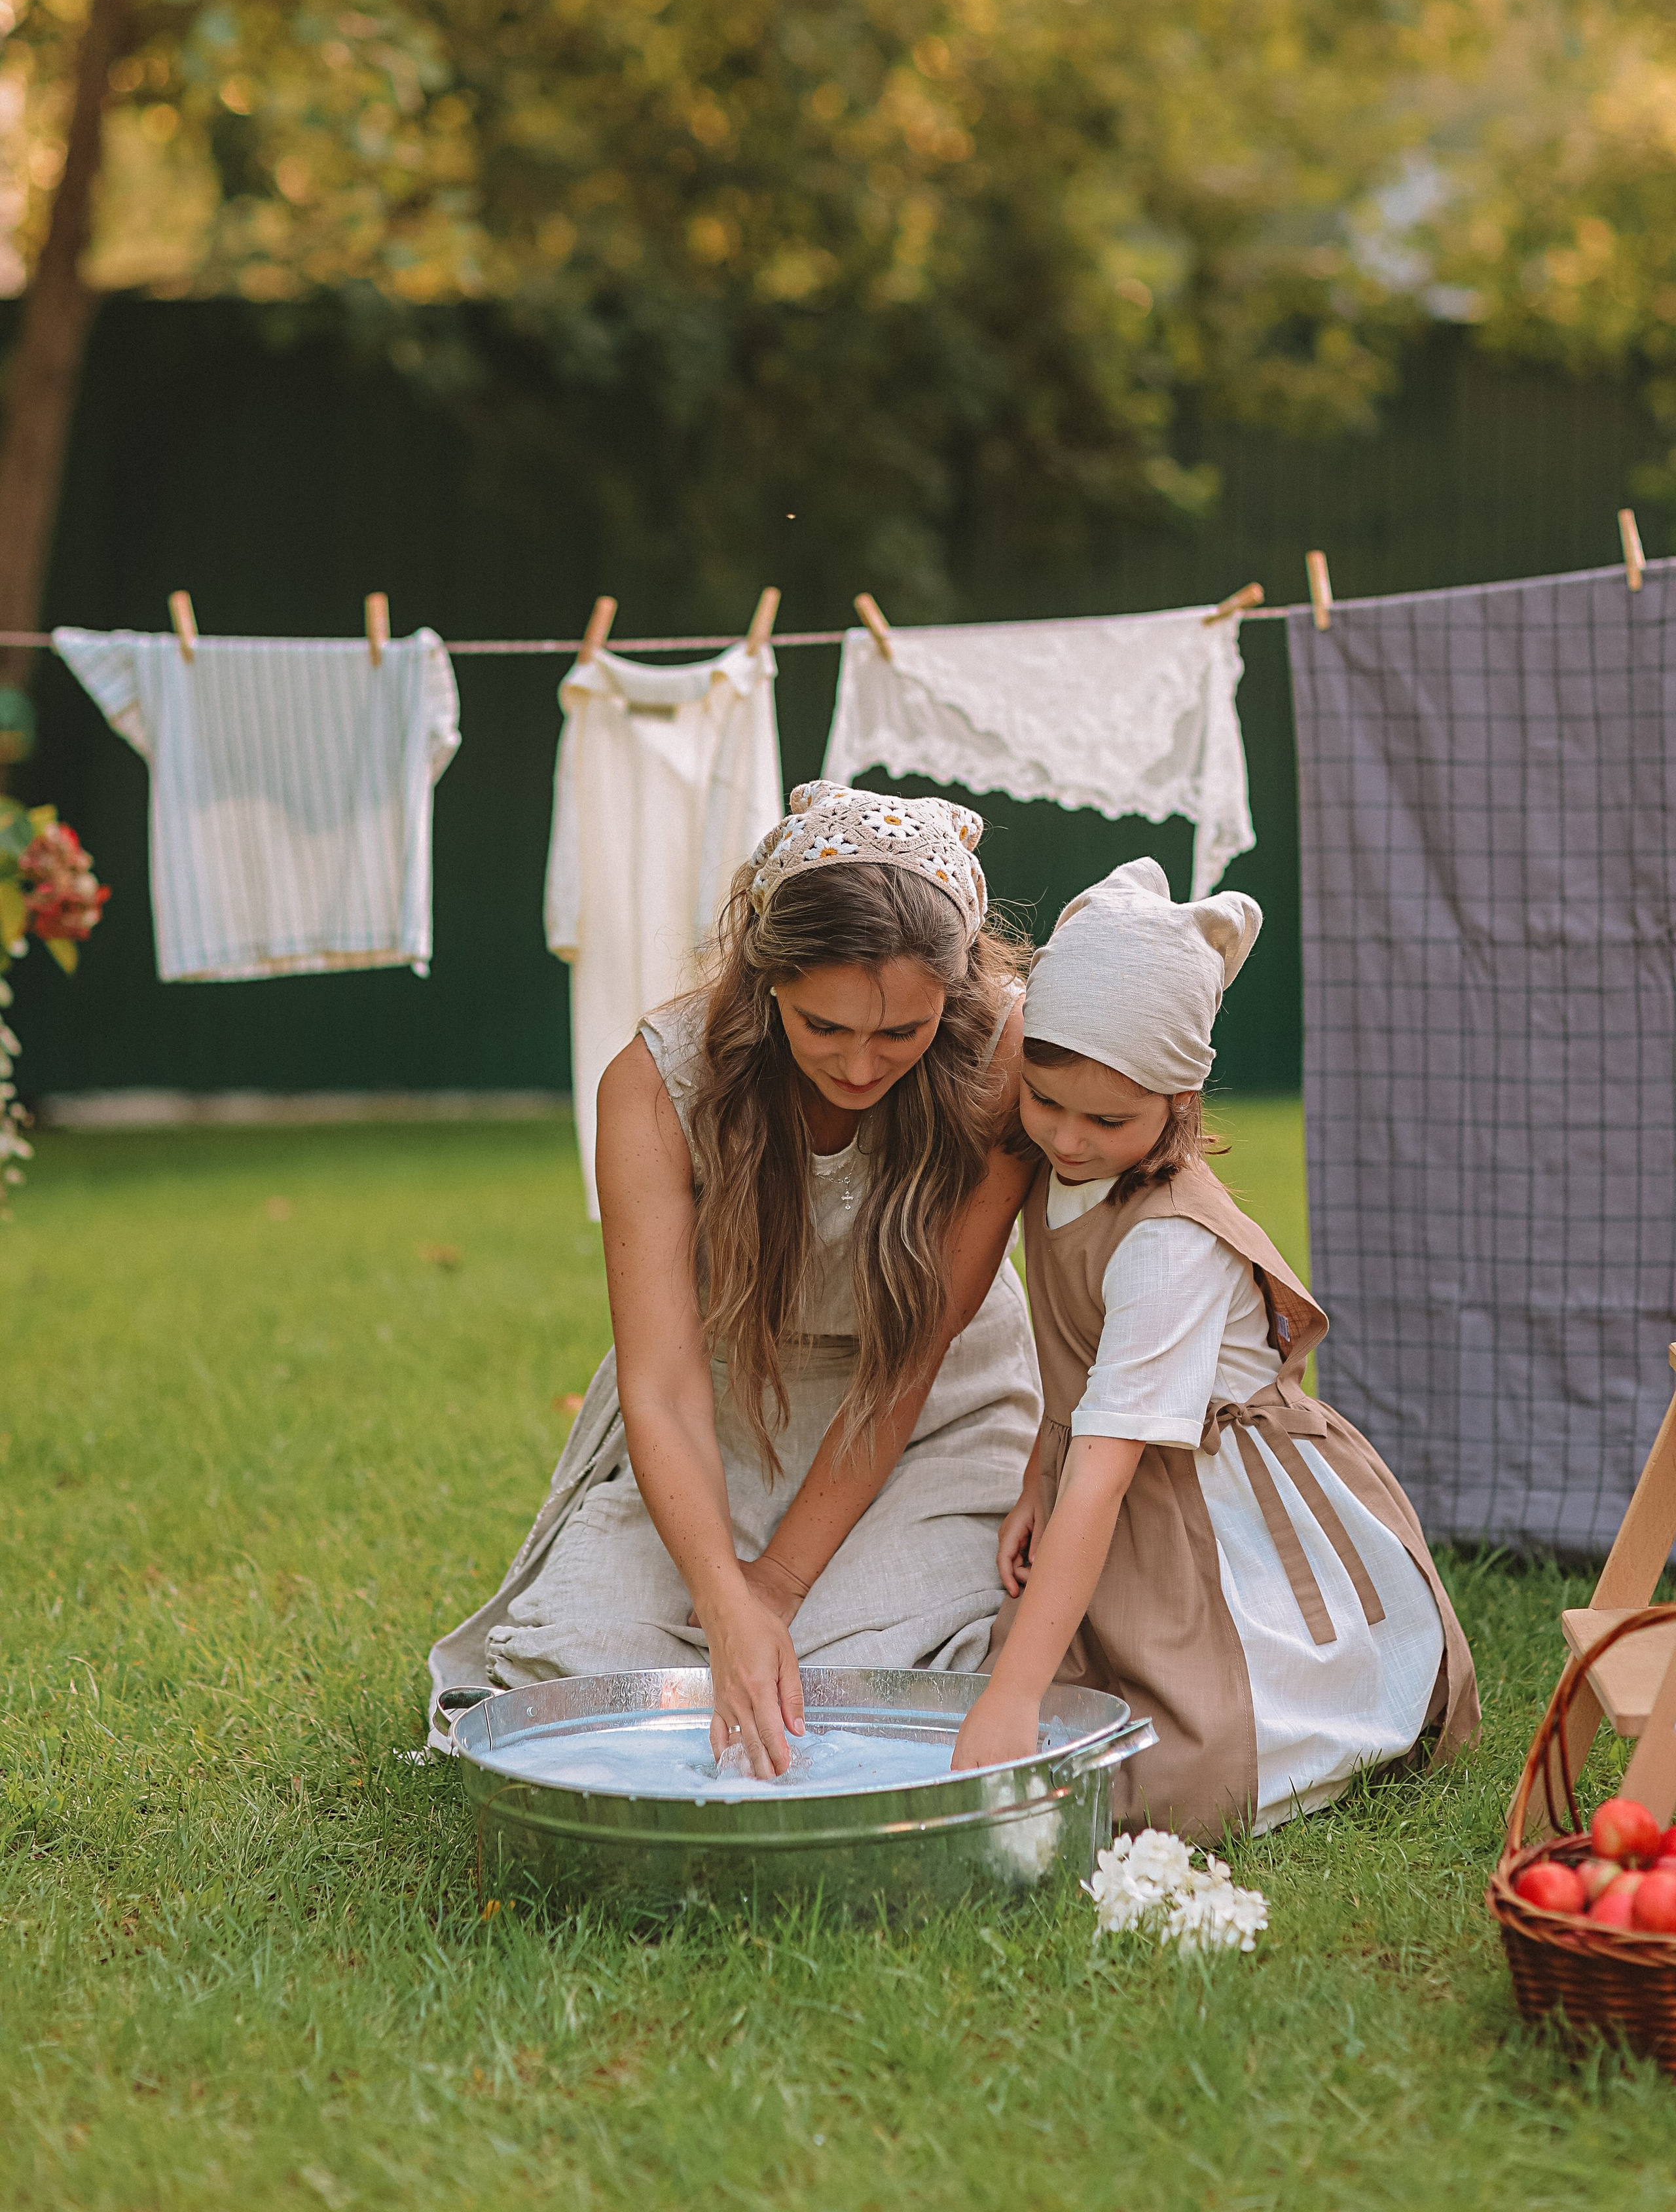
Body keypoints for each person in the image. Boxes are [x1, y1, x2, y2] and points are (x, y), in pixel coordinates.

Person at [429, 781, 1042, 1777]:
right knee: (584, 1672)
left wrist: (780, 1588)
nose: (859, 1065)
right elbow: (664, 1387)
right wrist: (723, 1593)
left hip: (934, 1413)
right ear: (765, 982)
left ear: (956, 992)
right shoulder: (656, 1086)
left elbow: (915, 1354)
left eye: (900, 1033)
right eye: (824, 1027)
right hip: (723, 1409)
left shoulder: (1003, 1056)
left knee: (858, 1677)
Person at [949, 858, 1478, 1838]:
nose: (1066, 1139)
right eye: (1046, 1102)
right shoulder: (1062, 1166)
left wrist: (1014, 1697)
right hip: (1112, 1475)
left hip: (1216, 1510)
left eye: (1108, 1120)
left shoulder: (1166, 1247)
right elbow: (1080, 1376)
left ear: (1179, 1101)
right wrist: (1037, 1475)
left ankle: (1333, 1713)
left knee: (1170, 1778)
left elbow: (1108, 1479)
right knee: (1015, 1700)